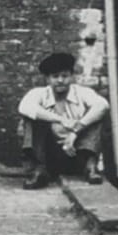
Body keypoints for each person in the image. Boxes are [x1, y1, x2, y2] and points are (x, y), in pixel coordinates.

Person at [16, 51, 110, 188]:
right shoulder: (39, 93)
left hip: (77, 153)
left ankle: (90, 168)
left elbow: (102, 105)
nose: (60, 80)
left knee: (97, 117)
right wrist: (60, 119)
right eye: (55, 76)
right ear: (48, 79)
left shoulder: (82, 93)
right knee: (30, 119)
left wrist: (75, 131)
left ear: (71, 77)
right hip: (49, 156)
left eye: (65, 76)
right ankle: (39, 171)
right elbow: (25, 107)